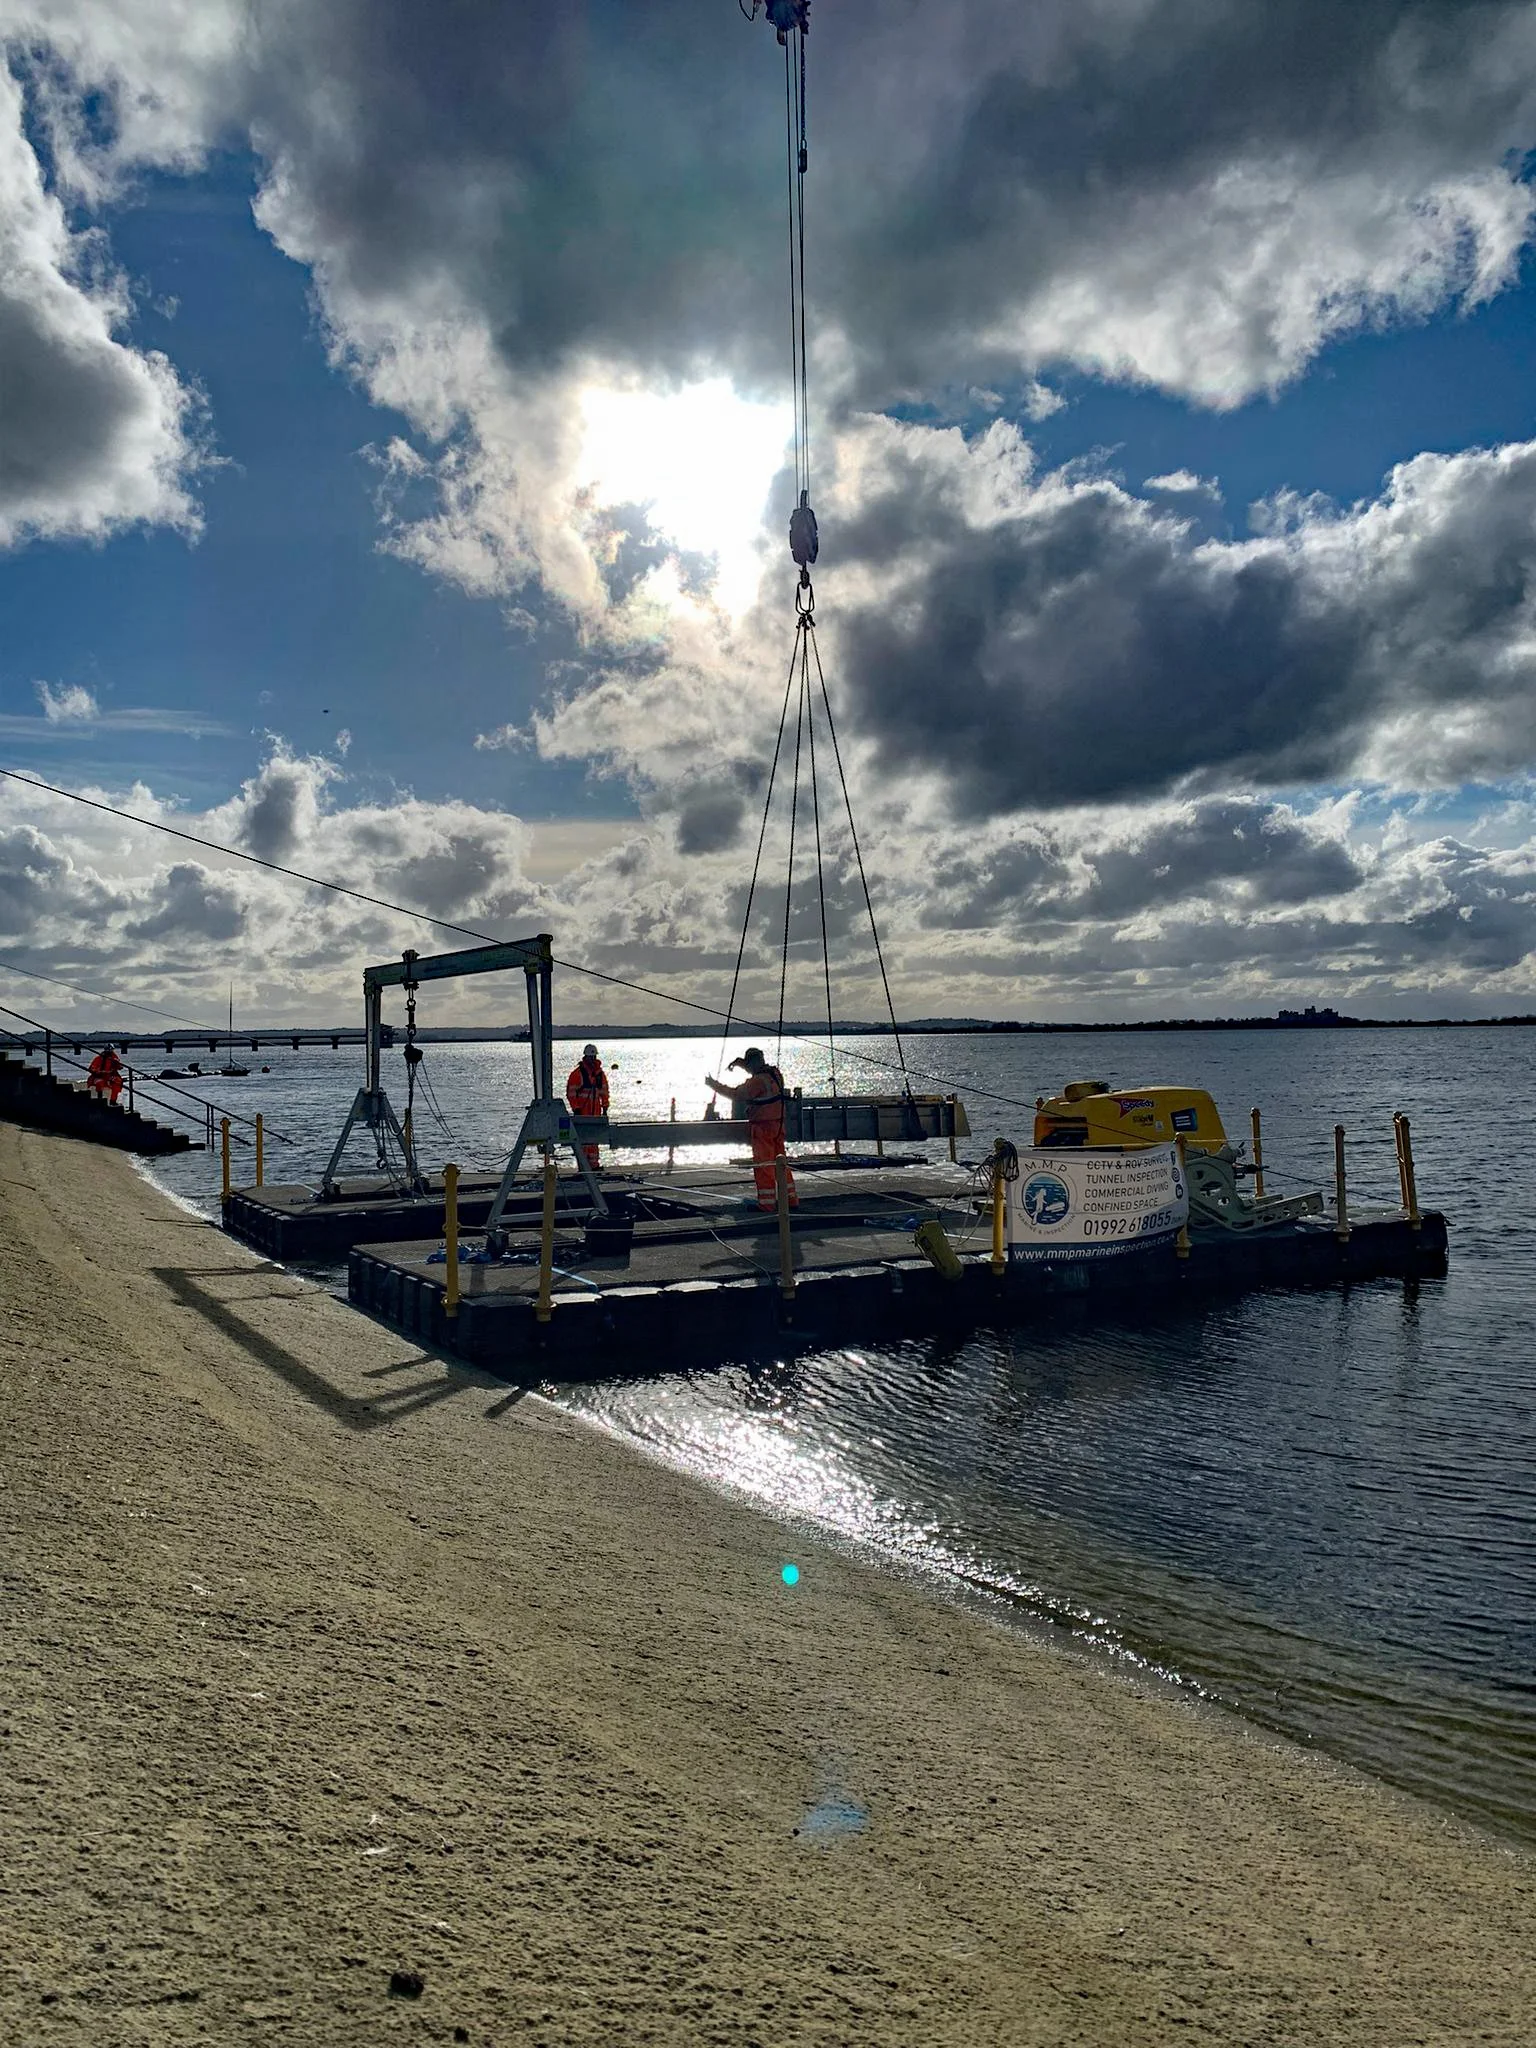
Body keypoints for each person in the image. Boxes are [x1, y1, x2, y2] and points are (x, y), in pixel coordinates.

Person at [704, 1047, 798, 1212]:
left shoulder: (756, 1082)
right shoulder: (775, 1074)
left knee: (764, 1166)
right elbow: (754, 1068)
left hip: (763, 1128)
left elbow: (736, 1094)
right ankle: (790, 1200)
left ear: (752, 1064)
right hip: (778, 1125)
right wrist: (738, 1063)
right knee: (781, 1165)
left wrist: (714, 1085)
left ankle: (767, 1204)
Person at [566, 1043, 610, 1170]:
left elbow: (604, 1092)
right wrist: (576, 1108)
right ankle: (583, 1167)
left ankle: (594, 1166)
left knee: (594, 1141)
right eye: (591, 1057)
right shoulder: (577, 1074)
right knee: (583, 1141)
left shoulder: (599, 1074)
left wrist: (605, 1107)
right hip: (582, 1112)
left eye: (594, 1057)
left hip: (595, 1113)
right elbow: (571, 1093)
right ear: (586, 1057)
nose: (592, 1060)